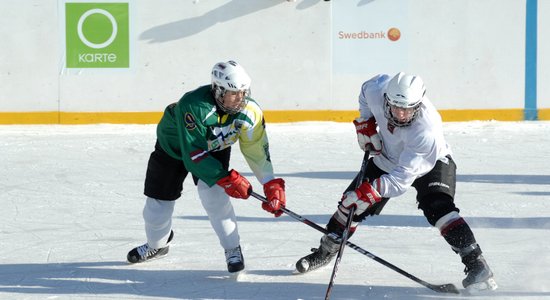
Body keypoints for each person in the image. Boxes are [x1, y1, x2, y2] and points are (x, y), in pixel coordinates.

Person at [295, 72, 497, 292]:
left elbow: (401, 180)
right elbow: (365, 91)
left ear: (418, 104)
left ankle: (476, 264)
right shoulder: (376, 90)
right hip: (389, 158)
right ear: (386, 100)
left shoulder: (426, 131)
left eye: (409, 109)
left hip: (430, 162)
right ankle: (326, 249)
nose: (401, 114)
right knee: (349, 205)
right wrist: (366, 122)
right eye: (396, 107)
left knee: (438, 207)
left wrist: (370, 191)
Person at [127, 60, 286, 274]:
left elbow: (256, 148)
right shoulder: (193, 105)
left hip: (214, 148)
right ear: (218, 91)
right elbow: (194, 153)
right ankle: (157, 246)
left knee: (215, 198)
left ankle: (232, 249)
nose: (240, 99)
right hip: (172, 149)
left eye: (243, 92)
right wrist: (226, 177)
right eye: (233, 93)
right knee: (156, 210)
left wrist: (270, 182)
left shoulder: (251, 110)